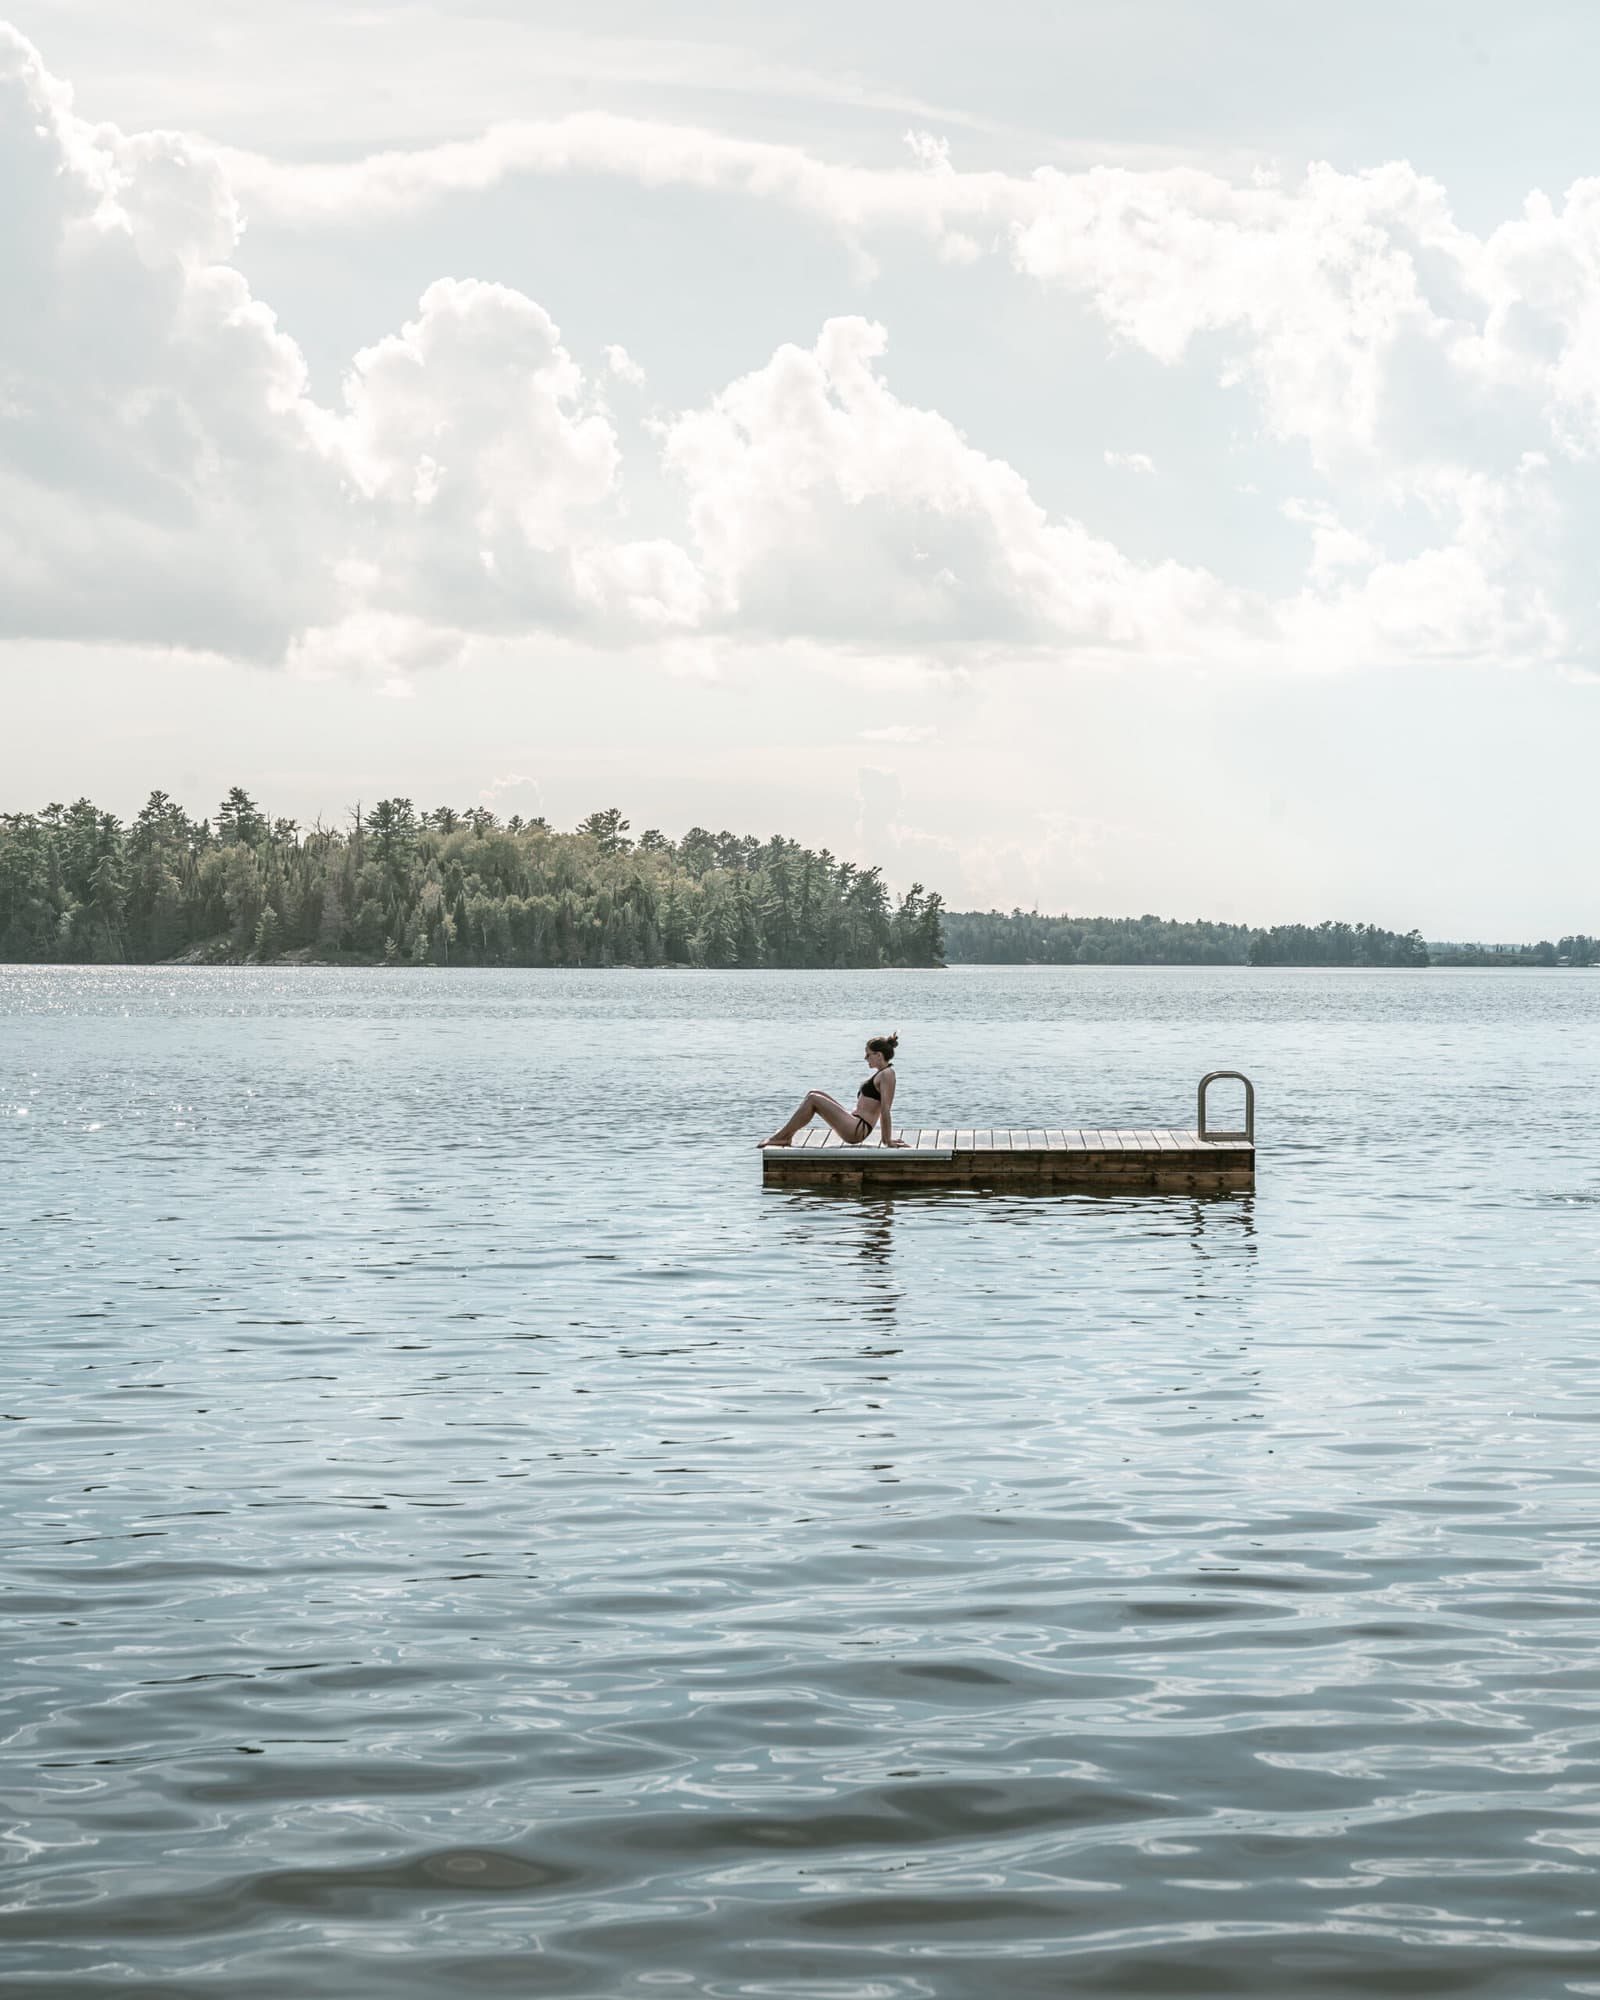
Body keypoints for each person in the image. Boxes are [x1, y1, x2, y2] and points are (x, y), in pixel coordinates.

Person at [759, 1033, 909, 1148]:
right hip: (854, 1122)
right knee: (814, 1093)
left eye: (868, 1054)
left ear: (879, 1055)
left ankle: (781, 1137)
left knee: (813, 1099)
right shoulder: (882, 1074)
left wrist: (887, 1140)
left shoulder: (887, 1075)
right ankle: (786, 1135)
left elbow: (885, 1110)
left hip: (857, 1129)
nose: (865, 1058)